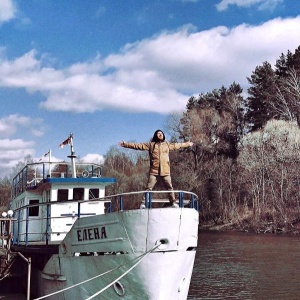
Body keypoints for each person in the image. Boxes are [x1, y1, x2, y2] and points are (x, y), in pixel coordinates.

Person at [118, 129, 193, 207]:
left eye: (161, 133)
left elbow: (178, 145)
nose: (160, 134)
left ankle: (173, 202)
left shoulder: (167, 144)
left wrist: (187, 144)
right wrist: (125, 144)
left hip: (165, 170)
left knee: (170, 187)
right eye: (158, 133)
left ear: (163, 135)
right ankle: (143, 203)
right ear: (155, 135)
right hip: (154, 170)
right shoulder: (151, 145)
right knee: (148, 188)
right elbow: (138, 146)